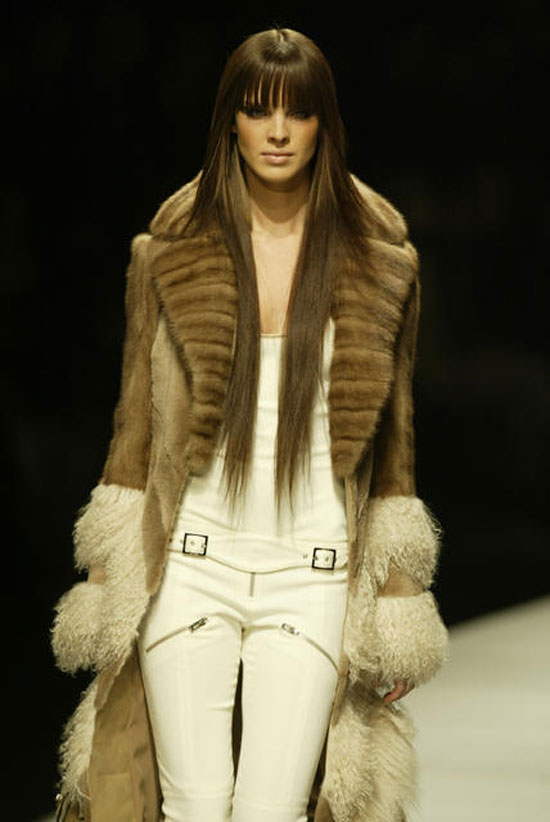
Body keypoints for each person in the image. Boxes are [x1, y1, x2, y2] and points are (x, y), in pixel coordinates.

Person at [51, 27, 448, 822]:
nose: (276, 132)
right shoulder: (170, 249)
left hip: (314, 569)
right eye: (258, 110)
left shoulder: (378, 261)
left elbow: (395, 452)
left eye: (297, 113)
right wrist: (102, 580)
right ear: (229, 120)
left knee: (273, 809)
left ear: (323, 124)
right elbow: (134, 430)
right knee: (193, 806)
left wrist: (399, 599)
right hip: (193, 559)